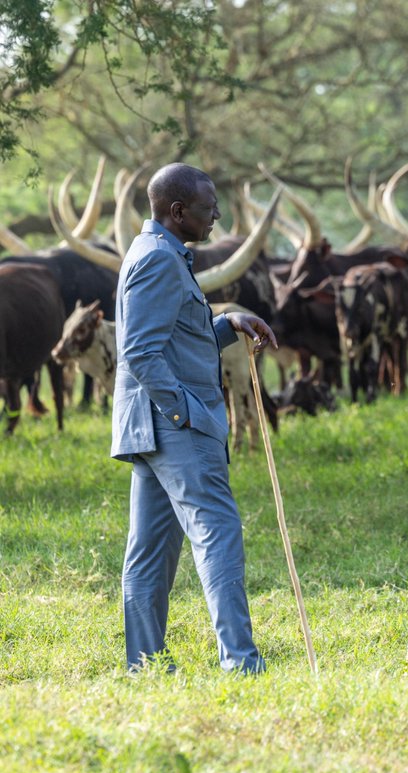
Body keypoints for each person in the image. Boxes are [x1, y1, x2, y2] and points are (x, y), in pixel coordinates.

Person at [111, 162, 277, 673]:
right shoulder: (161, 259)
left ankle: (145, 664)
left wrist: (227, 322)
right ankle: (241, 665)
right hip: (174, 426)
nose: (218, 215)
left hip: (147, 425)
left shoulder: (156, 252)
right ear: (177, 210)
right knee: (218, 532)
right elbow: (140, 352)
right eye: (209, 208)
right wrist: (188, 414)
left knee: (151, 552)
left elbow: (177, 331)